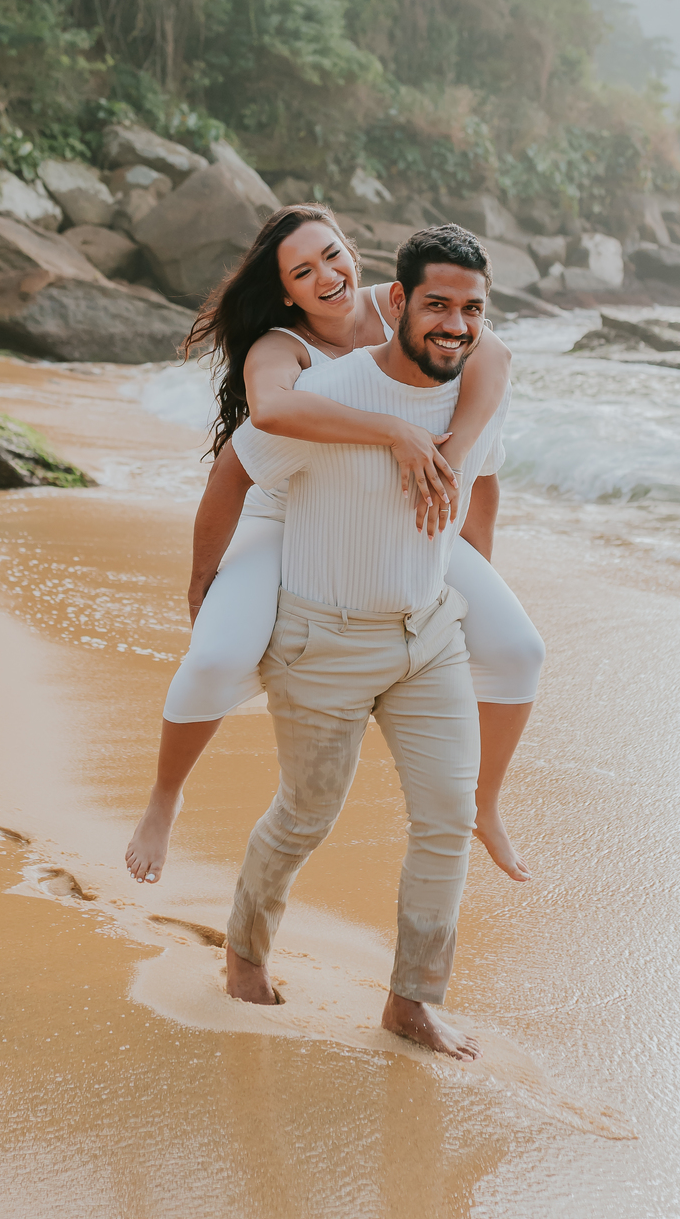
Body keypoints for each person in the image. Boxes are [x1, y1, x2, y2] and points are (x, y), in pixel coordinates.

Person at [124, 206, 545, 888]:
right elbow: (266, 420)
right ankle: (163, 798)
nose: (327, 275)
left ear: (354, 251)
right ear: (286, 289)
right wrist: (201, 577)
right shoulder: (281, 347)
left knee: (520, 649)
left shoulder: (402, 307)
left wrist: (457, 479)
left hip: (391, 513)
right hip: (282, 515)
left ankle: (484, 803)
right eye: (303, 270)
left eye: (333, 254)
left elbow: (491, 355)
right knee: (215, 658)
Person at [222, 224, 509, 1059]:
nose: (455, 325)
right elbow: (237, 468)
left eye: (472, 310)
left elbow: (483, 484)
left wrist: (475, 575)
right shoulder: (333, 390)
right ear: (397, 301)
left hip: (428, 638)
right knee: (307, 814)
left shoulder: (475, 394)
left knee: (449, 817)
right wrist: (205, 583)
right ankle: (244, 949)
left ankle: (412, 1001)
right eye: (437, 306)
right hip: (323, 641)